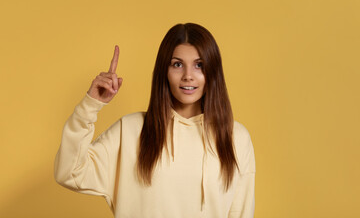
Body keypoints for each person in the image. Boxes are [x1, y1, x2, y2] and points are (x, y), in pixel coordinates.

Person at [54, 23, 256, 218]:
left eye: (199, 65)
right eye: (177, 64)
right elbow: (69, 172)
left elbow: (241, 213)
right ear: (164, 72)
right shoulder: (131, 130)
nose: (188, 76)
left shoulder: (235, 138)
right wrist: (90, 106)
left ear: (212, 72)